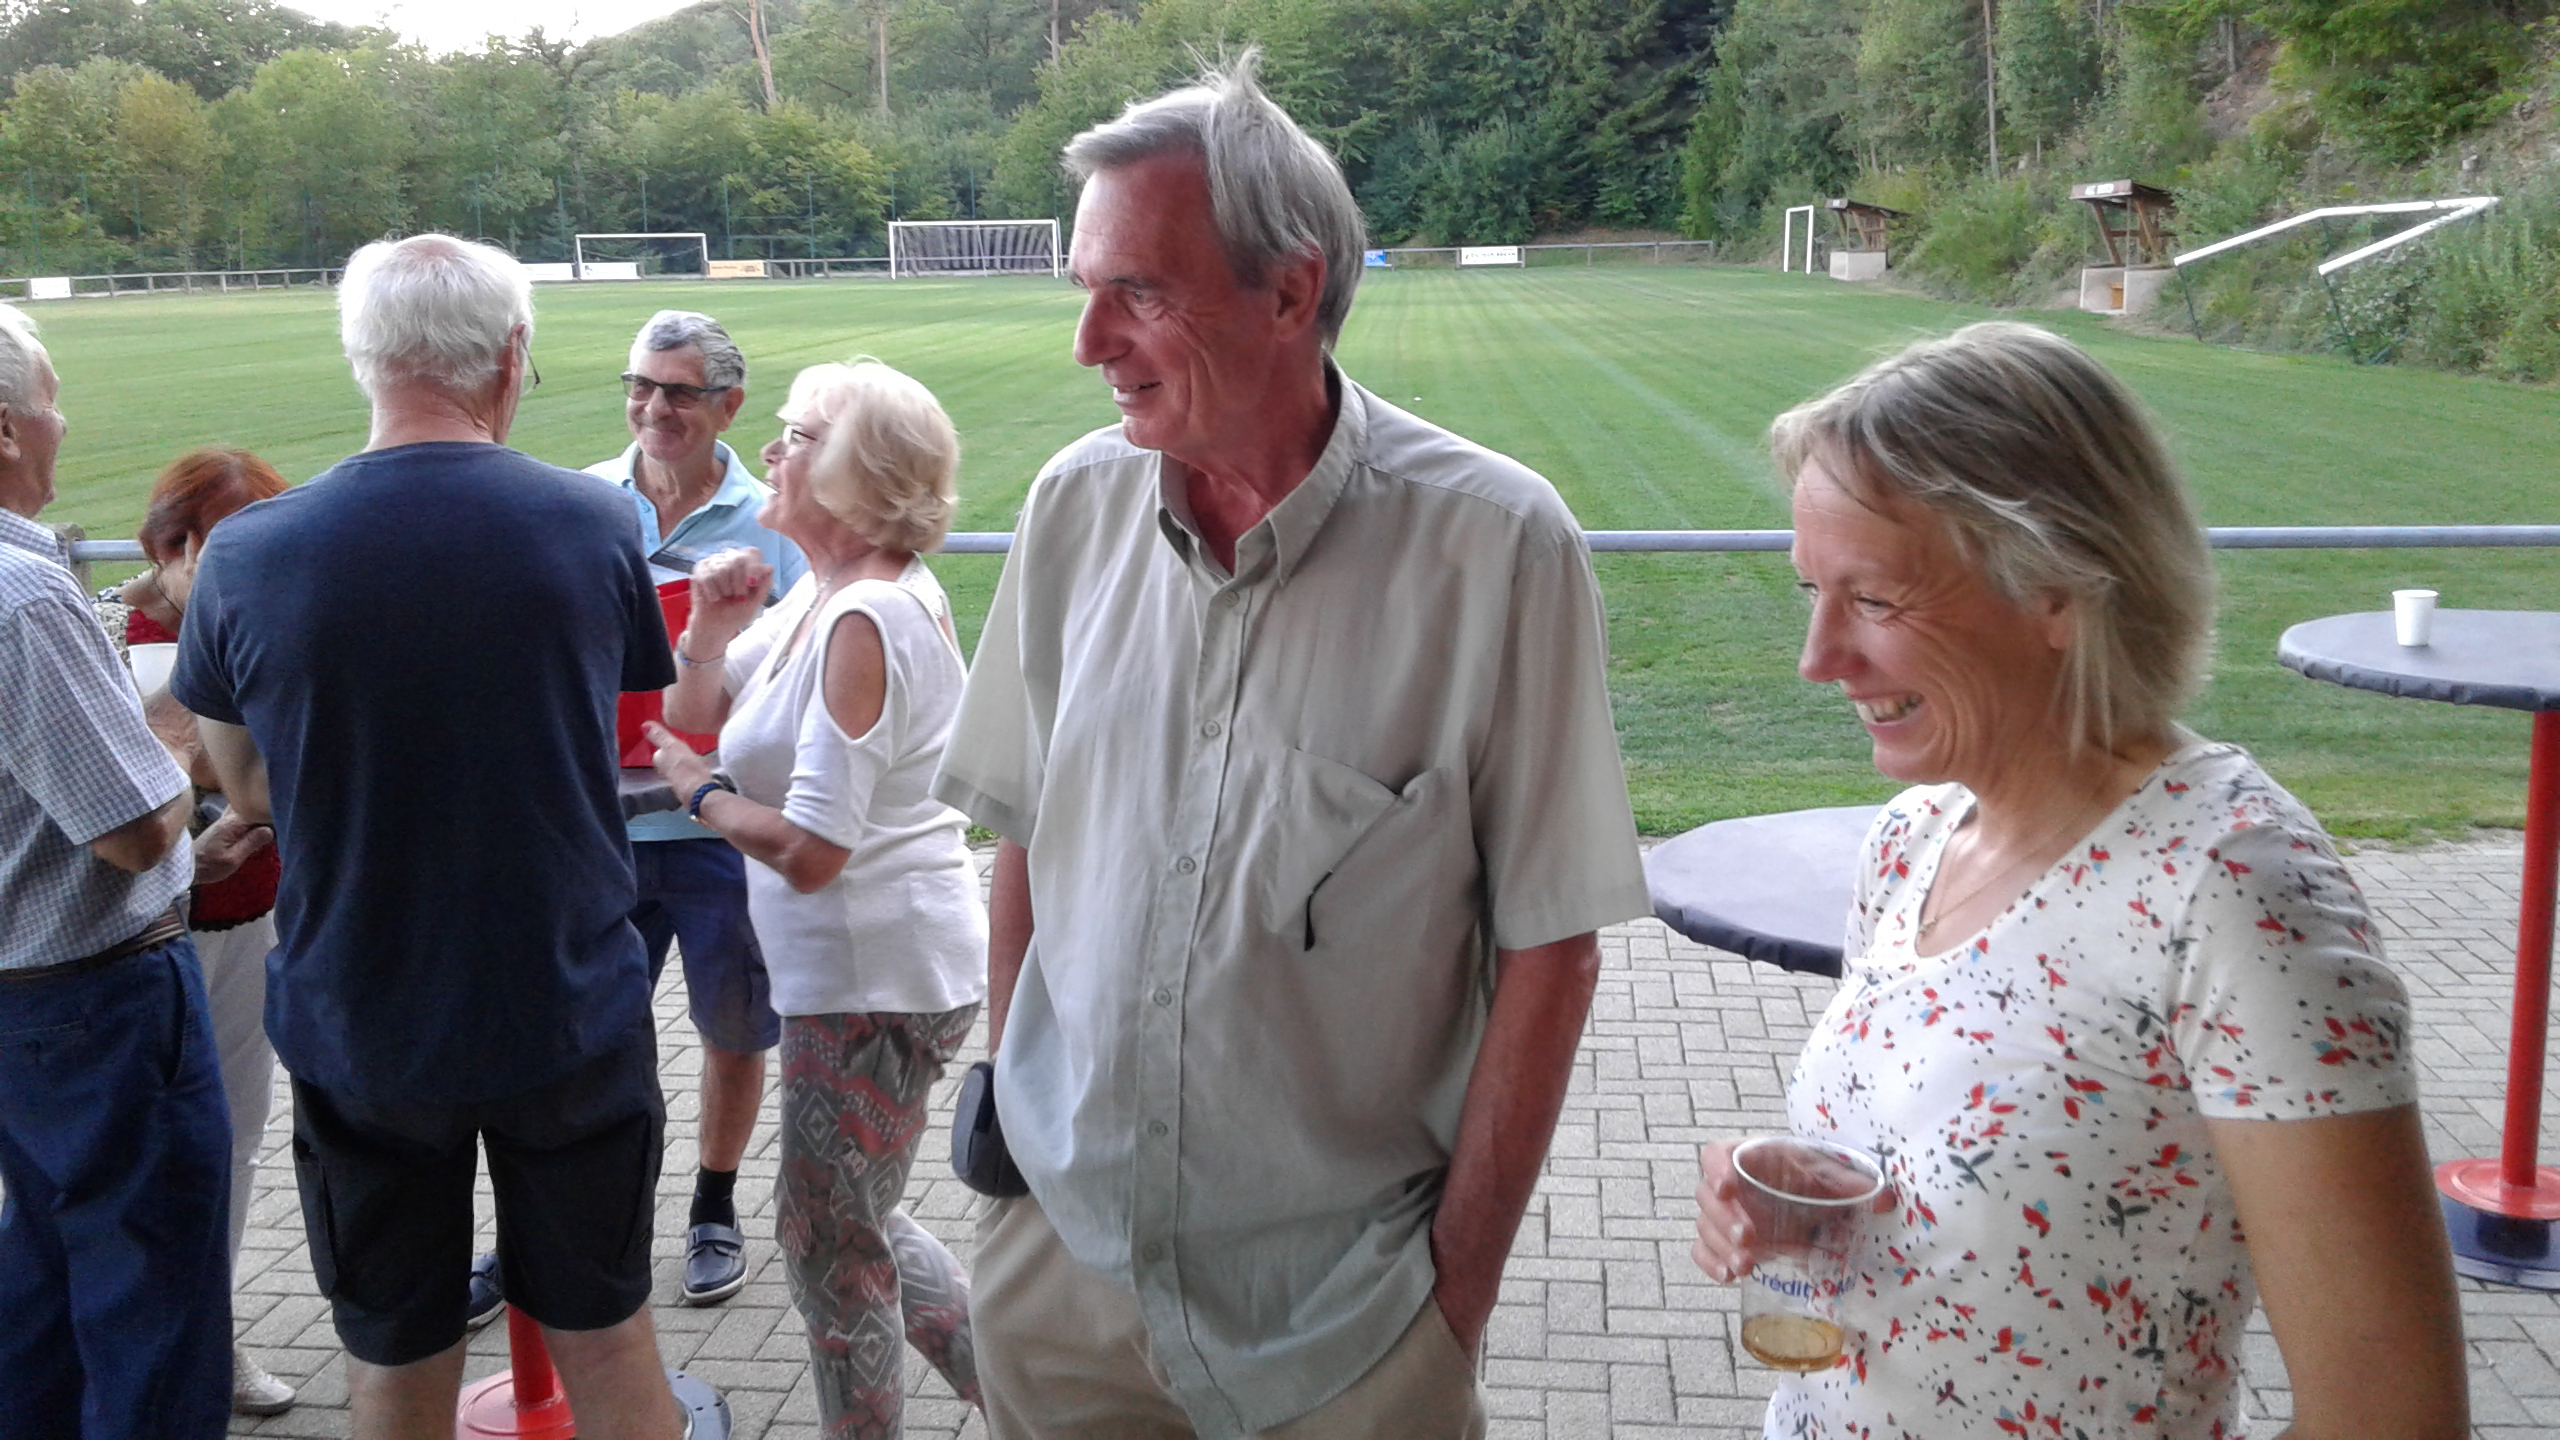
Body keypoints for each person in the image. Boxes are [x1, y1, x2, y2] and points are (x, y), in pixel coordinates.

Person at [931, 51, 1649, 1440]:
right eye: (1085, 291)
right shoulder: (1073, 508)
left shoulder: (1495, 548)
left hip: (1346, 1325)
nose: (1089, 344)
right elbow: (1023, 826)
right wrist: (1008, 1123)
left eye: (1139, 292)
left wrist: (1453, 1302)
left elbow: (1553, 949)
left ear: (1290, 291)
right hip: (1061, 1287)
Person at [1691, 321, 2467, 1440]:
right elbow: (1994, 1144)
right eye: (1811, 590)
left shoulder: (2235, 893)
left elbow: (2391, 1416)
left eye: (1875, 599)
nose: (1818, 659)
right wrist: (1817, 1183)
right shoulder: (1915, 838)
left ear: (2056, 588)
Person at [173, 234, 683, 1440]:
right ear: (510, 357)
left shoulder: (246, 551)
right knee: (608, 1337)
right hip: (564, 1000)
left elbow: (243, 785)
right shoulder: (593, 521)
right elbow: (610, 720)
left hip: (362, 1012)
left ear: (362, 358)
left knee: (394, 1360)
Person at [645, 357, 985, 1438]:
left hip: (874, 978)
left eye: (796, 435)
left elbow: (812, 849)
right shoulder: (822, 593)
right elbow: (698, 712)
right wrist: (708, 627)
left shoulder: (866, 617)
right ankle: (1041, 1400)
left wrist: (701, 797)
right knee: (846, 1221)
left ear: (855, 472)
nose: (771, 452)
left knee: (828, 1248)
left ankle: (1020, 1404)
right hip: (855, 975)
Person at [0, 301, 233, 1437]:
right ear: (6, 430)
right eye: (51, 406)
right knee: (153, 1305)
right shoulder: (23, 594)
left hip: (26, 1007)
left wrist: (114, 615)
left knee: (44, 1287)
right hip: (97, 1006)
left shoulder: (37, 592)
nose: (63, 425)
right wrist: (193, 683)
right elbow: (136, 828)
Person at [574, 311, 806, 1311]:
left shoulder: (773, 519)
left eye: (678, 391)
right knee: (592, 1037)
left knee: (734, 1030)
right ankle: (592, 1219)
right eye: (641, 385)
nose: (653, 407)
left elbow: (803, 662)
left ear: (729, 406)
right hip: (599, 829)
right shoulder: (583, 504)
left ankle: (713, 1205)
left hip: (719, 828)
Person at [91, 445, 298, 1416]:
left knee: (236, 1138)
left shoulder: (271, 616)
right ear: (170, 544)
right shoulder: (101, 629)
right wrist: (201, 755)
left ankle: (212, 1335)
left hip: (248, 911)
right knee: (134, 1152)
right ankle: (130, 1353)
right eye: (222, 546)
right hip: (135, 934)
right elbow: (139, 786)